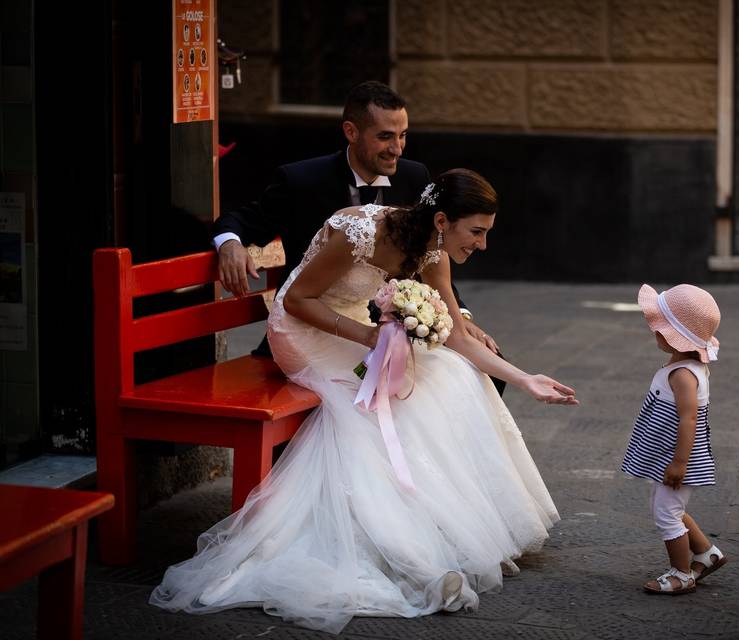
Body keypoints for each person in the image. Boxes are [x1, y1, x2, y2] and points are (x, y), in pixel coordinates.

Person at [150, 169, 578, 632]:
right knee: (371, 412)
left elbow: (454, 331)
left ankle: (432, 530)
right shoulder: (359, 230)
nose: (482, 244)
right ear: (441, 219)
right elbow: (296, 301)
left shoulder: (433, 250)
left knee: (452, 374)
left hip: (358, 331)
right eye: (476, 232)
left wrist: (526, 378)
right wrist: (369, 336)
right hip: (306, 334)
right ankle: (400, 548)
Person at [214, 80, 502, 367]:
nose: (397, 149)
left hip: (391, 325)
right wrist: (229, 243)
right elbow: (243, 220)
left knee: (480, 369)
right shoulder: (301, 181)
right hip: (315, 329)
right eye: (386, 137)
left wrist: (459, 319)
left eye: (403, 136)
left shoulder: (414, 177)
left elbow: (429, 249)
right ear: (351, 132)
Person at [621, 284, 727, 595]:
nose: (653, 329)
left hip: (677, 456)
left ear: (672, 335)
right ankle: (707, 555)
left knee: (666, 513)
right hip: (669, 454)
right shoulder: (687, 366)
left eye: (658, 325)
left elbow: (689, 418)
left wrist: (679, 462)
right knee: (668, 507)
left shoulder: (683, 374)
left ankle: (682, 574)